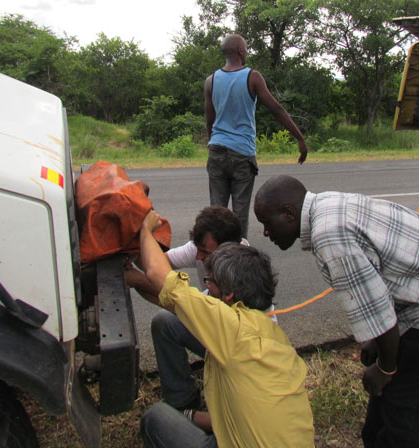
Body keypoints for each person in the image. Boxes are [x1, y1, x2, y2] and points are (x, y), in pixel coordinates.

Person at [253, 175, 419, 448]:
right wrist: (377, 344)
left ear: (288, 213)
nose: (266, 233)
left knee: (408, 425)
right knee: (381, 422)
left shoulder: (330, 236)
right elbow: (381, 281)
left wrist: (385, 367)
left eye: (267, 224)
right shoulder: (326, 205)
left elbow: (381, 318)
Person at [137, 211, 314, 448]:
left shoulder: (228, 328)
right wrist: (189, 416)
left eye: (209, 282)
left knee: (156, 418)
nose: (206, 287)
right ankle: (184, 406)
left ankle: (180, 405)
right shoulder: (276, 339)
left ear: (229, 293)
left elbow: (159, 278)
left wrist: (145, 230)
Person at [126, 206, 250, 411]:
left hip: (239, 349)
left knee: (169, 312)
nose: (199, 256)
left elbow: (163, 284)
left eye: (205, 252)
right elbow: (157, 265)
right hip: (213, 324)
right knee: (164, 321)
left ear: (227, 249)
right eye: (198, 249)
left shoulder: (239, 269)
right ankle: (181, 399)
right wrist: (134, 244)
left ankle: (200, 410)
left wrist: (145, 234)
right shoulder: (203, 249)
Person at [205, 33, 307, 238]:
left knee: (216, 212)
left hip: (216, 151)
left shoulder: (211, 80)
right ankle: (237, 259)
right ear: (241, 51)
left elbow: (210, 118)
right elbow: (276, 109)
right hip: (241, 154)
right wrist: (299, 138)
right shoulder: (252, 76)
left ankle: (214, 256)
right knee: (239, 213)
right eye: (246, 48)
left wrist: (214, 142)